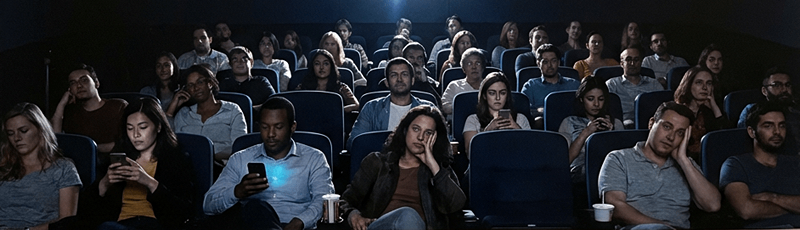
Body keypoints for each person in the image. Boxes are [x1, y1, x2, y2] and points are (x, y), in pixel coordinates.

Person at [203, 97, 334, 230]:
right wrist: (236, 192)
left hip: (296, 226)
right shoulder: (241, 159)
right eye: (265, 127)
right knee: (255, 207)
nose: (271, 134)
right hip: (251, 224)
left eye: (278, 127)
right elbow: (208, 205)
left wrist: (300, 221)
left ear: (292, 127)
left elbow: (324, 200)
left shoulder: (314, 158)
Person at [341, 105, 466, 230]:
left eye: (428, 133)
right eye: (416, 129)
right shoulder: (377, 162)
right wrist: (353, 215)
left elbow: (456, 205)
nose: (420, 137)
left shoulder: (438, 170)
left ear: (435, 138)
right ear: (405, 130)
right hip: (380, 226)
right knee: (407, 214)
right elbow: (346, 201)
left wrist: (433, 165)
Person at [599, 102, 721, 229]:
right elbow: (615, 206)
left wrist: (683, 160)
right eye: (667, 127)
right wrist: (664, 226)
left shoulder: (687, 165)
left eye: (680, 133)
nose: (671, 137)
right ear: (652, 123)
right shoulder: (619, 159)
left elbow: (713, 205)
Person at [78, 98, 195, 229]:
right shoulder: (120, 157)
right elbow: (85, 211)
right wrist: (104, 184)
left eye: (143, 127)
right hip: (119, 223)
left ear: (158, 127)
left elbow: (183, 212)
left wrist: (149, 182)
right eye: (130, 128)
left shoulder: (175, 159)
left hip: (154, 224)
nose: (135, 135)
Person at [0, 103, 81, 229]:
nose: (17, 138)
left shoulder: (63, 168)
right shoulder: (4, 168)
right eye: (11, 133)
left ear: (40, 129)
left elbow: (66, 221)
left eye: (23, 131)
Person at [720, 102, 800, 228]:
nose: (777, 132)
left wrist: (772, 197)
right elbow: (746, 210)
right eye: (768, 126)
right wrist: (793, 205)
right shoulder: (735, 165)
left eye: (782, 126)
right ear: (752, 132)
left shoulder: (795, 163)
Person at [349, 57, 436, 149]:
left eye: (404, 74)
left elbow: (443, 143)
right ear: (386, 82)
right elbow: (354, 142)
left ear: (412, 80)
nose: (399, 79)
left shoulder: (428, 109)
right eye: (394, 75)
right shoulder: (371, 108)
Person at [168, 65, 247, 161]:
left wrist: (208, 155)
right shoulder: (184, 113)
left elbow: (240, 147)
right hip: (189, 166)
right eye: (190, 85)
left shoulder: (232, 110)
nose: (196, 88)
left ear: (210, 83)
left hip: (223, 166)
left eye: (200, 82)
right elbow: (171, 143)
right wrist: (172, 108)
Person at [51, 64, 128, 155]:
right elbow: (56, 140)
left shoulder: (117, 106)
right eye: (73, 83)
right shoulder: (72, 112)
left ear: (96, 83)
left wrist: (91, 148)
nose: (79, 85)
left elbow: (126, 143)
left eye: (84, 80)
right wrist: (62, 104)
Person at [558, 76, 624, 183]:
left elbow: (623, 158)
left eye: (601, 99)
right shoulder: (569, 122)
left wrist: (611, 135)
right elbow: (566, 161)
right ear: (581, 99)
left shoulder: (615, 123)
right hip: (580, 172)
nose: (596, 104)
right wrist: (586, 132)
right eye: (590, 99)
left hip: (610, 170)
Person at [463, 72, 531, 156]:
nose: (498, 98)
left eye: (502, 93)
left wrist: (517, 129)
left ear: (507, 96)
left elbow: (529, 152)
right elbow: (470, 154)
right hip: (484, 166)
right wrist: (488, 131)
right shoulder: (473, 120)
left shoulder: (520, 118)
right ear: (484, 95)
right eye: (492, 93)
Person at [737, 67, 800, 154]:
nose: (785, 89)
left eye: (787, 85)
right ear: (764, 91)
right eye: (777, 85)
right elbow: (743, 143)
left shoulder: (796, 112)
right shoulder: (753, 110)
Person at [673, 66, 729, 163]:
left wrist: (714, 106)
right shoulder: (675, 111)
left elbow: (724, 139)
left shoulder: (707, 112)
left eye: (709, 83)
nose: (704, 87)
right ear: (689, 85)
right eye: (699, 82)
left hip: (708, 161)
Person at [520, 44, 580, 128]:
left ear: (559, 62)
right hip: (543, 129)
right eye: (545, 62)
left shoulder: (574, 85)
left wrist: (541, 109)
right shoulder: (530, 86)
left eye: (553, 61)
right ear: (538, 63)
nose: (550, 65)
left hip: (571, 127)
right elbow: (525, 112)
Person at [606, 47, 665, 127]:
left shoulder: (654, 84)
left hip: (649, 125)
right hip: (621, 127)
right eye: (628, 59)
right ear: (621, 63)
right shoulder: (612, 84)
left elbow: (664, 108)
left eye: (636, 60)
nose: (633, 63)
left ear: (641, 62)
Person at [220, 46, 276, 110]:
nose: (240, 62)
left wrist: (250, 110)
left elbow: (273, 101)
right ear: (230, 64)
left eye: (244, 58)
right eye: (235, 59)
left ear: (251, 63)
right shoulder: (225, 84)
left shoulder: (261, 81)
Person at [441, 47, 485, 116]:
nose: (474, 67)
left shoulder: (490, 85)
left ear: (482, 67)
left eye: (478, 63)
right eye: (469, 64)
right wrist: (464, 107)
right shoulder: (454, 85)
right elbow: (444, 107)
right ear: (464, 68)